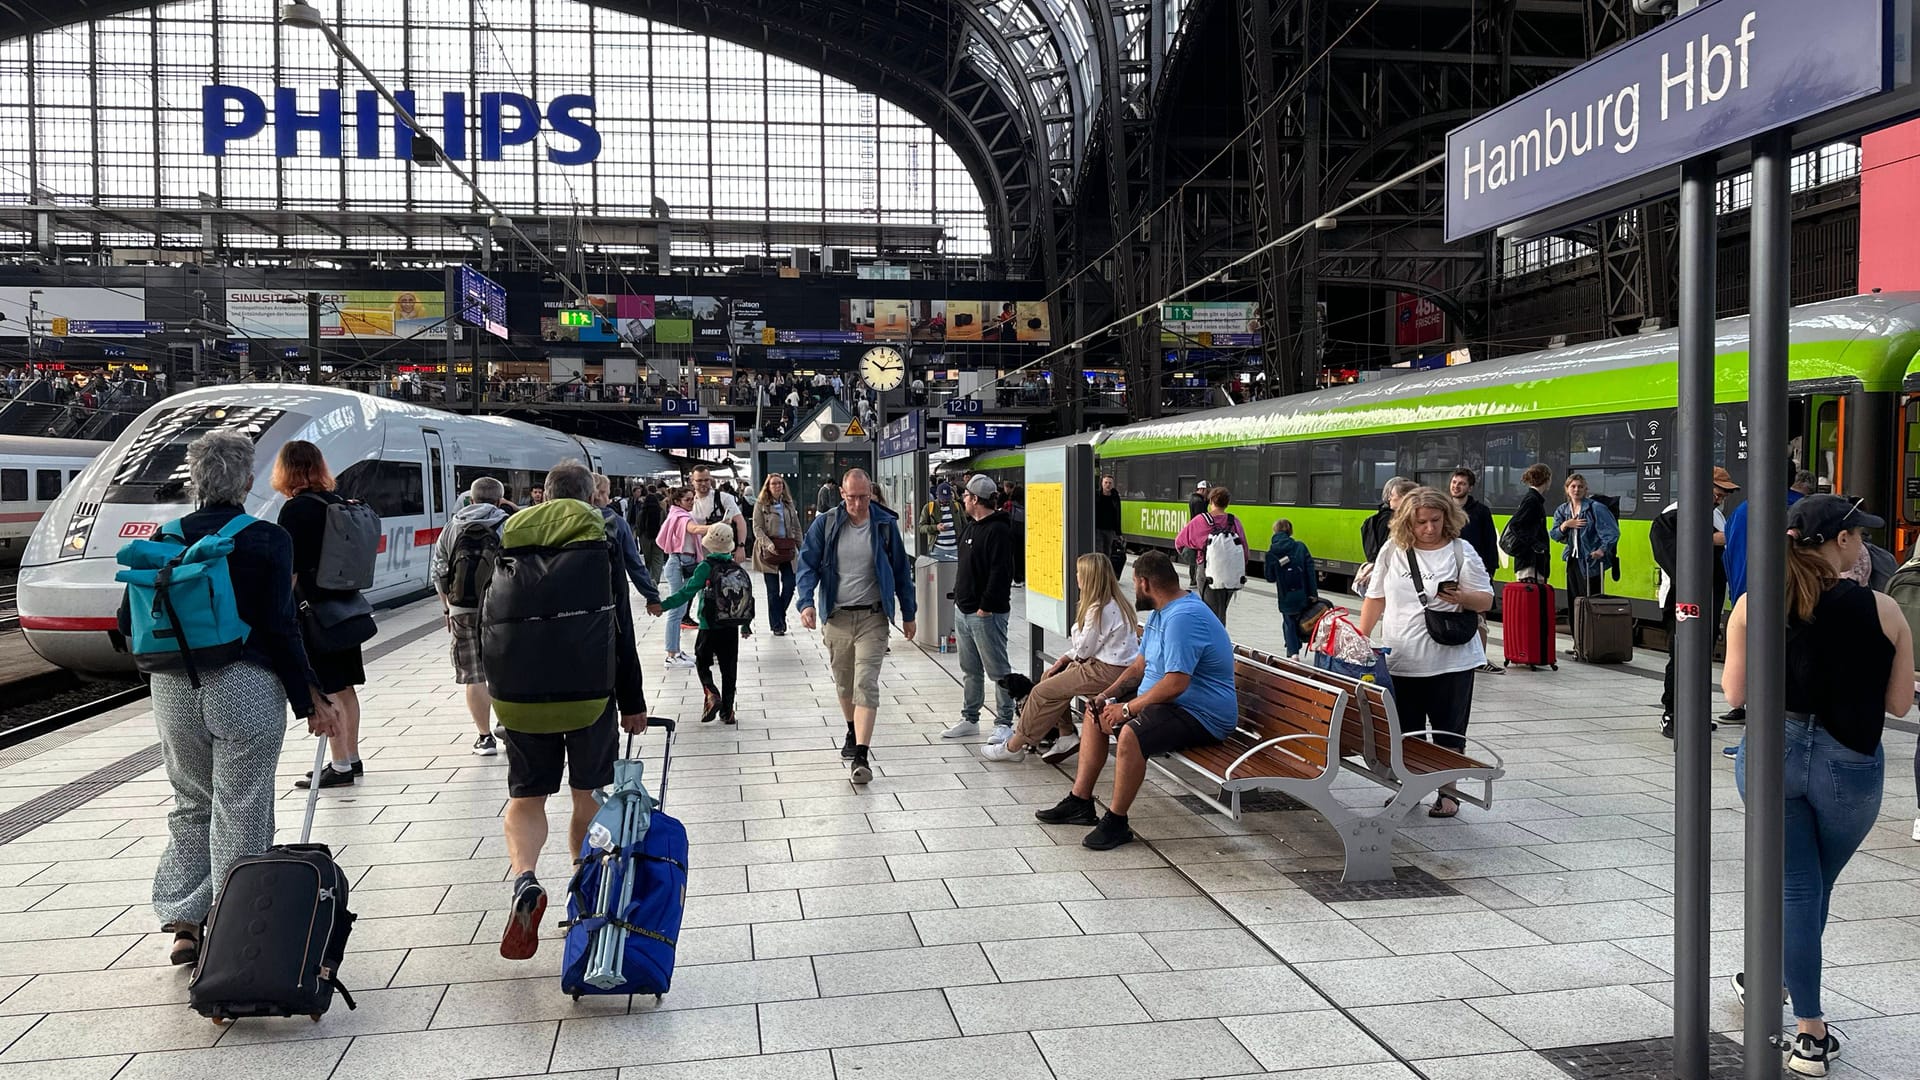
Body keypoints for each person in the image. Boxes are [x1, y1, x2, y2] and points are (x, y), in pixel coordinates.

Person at [128, 431, 340, 966]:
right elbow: (281, 626)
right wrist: (309, 699)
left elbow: (125, 617)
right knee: (241, 806)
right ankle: (231, 920)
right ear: (247, 482)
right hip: (244, 686)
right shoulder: (267, 538)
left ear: (195, 482)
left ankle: (183, 921)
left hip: (174, 687)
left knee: (191, 802)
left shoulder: (166, 535)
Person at [1723, 495, 1913, 1077]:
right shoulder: (1884, 610)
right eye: (1860, 535)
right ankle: (1808, 1026)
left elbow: (1734, 695)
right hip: (1850, 767)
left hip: (1770, 755)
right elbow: (1901, 704)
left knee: (1798, 892)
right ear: (1844, 542)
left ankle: (1786, 997)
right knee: (1811, 890)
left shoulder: (1754, 605)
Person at [492, 462, 648, 960]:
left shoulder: (509, 537)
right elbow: (619, 627)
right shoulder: (600, 542)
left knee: (527, 797)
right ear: (589, 497)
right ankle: (584, 893)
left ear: (544, 495)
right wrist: (633, 702)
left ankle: (524, 879)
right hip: (588, 694)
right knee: (586, 796)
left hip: (518, 694)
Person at [1034, 552, 1236, 850]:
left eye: (1133, 582)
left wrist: (1128, 708)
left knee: (1130, 735)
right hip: (1169, 703)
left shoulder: (1183, 618)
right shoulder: (1159, 613)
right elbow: (1139, 667)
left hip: (1200, 713)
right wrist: (1107, 695)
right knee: (1096, 711)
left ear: (1144, 583)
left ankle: (1117, 822)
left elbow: (1176, 683)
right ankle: (1080, 801)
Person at [1357, 486, 1496, 818]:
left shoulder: (1462, 552)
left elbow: (1487, 600)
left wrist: (1461, 597)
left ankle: (1449, 793)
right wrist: (1361, 637)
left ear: (1448, 518)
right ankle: (1410, 789)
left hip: (1451, 659)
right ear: (1408, 522)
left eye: (1436, 520)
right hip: (1401, 657)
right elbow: (1375, 597)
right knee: (1406, 731)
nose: (1430, 528)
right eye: (1422, 522)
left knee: (1448, 729)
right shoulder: (1392, 550)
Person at [796, 469, 918, 784]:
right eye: (852, 497)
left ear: (870, 494)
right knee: (844, 683)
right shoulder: (825, 523)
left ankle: (862, 755)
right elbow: (807, 565)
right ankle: (851, 729)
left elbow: (902, 572)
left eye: (864, 497)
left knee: (866, 683)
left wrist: (908, 612)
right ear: (842, 494)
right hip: (837, 617)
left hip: (873, 617)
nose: (859, 503)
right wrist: (806, 602)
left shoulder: (884, 525)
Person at [273, 440, 372, 790]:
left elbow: (292, 568)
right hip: (345, 606)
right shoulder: (336, 502)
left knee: (328, 688)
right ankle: (352, 757)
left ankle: (340, 764)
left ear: (286, 469)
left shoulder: (296, 509)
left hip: (312, 610)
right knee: (345, 688)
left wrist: (279, 608)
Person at [983, 553, 1141, 764]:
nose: (1075, 576)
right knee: (1050, 675)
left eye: (1078, 572)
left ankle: (1014, 745)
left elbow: (1084, 649)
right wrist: (1066, 659)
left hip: (1106, 671)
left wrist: (1076, 630)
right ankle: (1066, 734)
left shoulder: (1097, 609)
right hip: (1111, 666)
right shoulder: (1116, 603)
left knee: (1041, 691)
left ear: (1088, 578)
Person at [1650, 466, 1737, 738]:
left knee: (1701, 655)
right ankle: (1672, 713)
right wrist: (1709, 541)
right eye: (1717, 491)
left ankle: (1695, 711)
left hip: (1711, 595)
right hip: (1682, 596)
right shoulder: (1673, 514)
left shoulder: (1717, 516)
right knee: (1681, 653)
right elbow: (1668, 551)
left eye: (1724, 494)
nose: (1720, 497)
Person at [1721, 463, 1811, 724]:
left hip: (1744, 596)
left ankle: (1750, 711)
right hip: (1791, 597)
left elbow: (1730, 554)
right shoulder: (1803, 509)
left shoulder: (1742, 510)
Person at [433, 476, 514, 754]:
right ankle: (507, 727)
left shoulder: (451, 527)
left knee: (474, 674)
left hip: (462, 609)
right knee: (504, 670)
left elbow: (439, 571)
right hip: (502, 607)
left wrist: (447, 606)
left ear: (471, 499)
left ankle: (484, 737)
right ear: (500, 499)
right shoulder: (508, 524)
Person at [943, 474, 1016, 742]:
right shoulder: (971, 527)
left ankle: (1005, 721)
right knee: (970, 669)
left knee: (998, 670)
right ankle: (970, 718)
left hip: (986, 614)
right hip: (964, 610)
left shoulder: (998, 530)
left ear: (975, 499)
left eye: (965, 495)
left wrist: (985, 606)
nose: (962, 499)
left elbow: (1001, 573)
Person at [656, 522, 747, 725]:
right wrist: (746, 625)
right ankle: (728, 711)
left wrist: (663, 606)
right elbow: (745, 599)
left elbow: (686, 592)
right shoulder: (735, 568)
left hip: (708, 625)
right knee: (728, 668)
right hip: (731, 626)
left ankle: (711, 692)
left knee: (702, 662)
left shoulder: (705, 567)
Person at [1551, 473, 1621, 650]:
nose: (1576, 490)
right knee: (1574, 601)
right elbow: (1554, 534)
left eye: (1580, 487)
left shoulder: (1596, 508)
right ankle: (1578, 643)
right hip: (1573, 560)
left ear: (1586, 489)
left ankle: (1591, 641)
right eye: (1573, 486)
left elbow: (1612, 532)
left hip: (1591, 563)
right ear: (1567, 489)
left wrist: (1601, 550)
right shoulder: (1563, 510)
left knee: (1591, 602)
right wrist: (1565, 525)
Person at [1449, 468, 1503, 675]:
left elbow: (1490, 542)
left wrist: (1490, 571)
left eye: (1461, 483)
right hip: (1448, 568)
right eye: (1454, 482)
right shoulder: (1443, 508)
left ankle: (1480, 657)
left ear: (1470, 488)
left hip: (1474, 570)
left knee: (1480, 614)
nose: (1456, 486)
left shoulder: (1480, 511)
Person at [1174, 486, 1249, 627]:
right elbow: (1244, 549)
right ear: (1227, 503)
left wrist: (1194, 558)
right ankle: (1221, 637)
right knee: (1221, 610)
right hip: (1231, 572)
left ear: (1211, 501)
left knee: (1209, 610)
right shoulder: (1234, 521)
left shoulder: (1201, 520)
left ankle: (1213, 642)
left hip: (1207, 571)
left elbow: (1179, 542)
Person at [592, 472, 666, 614]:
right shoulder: (614, 522)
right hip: (609, 595)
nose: (608, 500)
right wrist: (652, 596)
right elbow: (634, 564)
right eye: (607, 495)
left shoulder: (558, 520)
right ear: (597, 495)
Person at [751, 473, 802, 635]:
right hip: (769, 551)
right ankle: (777, 625)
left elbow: (796, 527)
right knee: (772, 591)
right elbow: (757, 527)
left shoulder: (788, 504)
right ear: (768, 486)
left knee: (790, 584)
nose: (777, 486)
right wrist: (768, 543)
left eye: (780, 483)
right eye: (773, 484)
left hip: (787, 549)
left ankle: (780, 613)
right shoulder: (761, 504)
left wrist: (802, 548)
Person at [654, 486, 699, 667]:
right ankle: (671, 654)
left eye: (693, 498)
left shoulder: (677, 514)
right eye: (688, 499)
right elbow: (694, 529)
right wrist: (715, 527)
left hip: (682, 563)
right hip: (679, 564)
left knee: (680, 609)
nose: (692, 502)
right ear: (678, 502)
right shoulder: (681, 517)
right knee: (676, 610)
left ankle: (676, 651)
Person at [1265, 519, 1319, 655]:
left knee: (1289, 621)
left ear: (1275, 531)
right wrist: (1313, 593)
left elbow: (1269, 578)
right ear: (1290, 531)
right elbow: (1310, 572)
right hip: (1303, 592)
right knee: (1298, 619)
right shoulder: (1300, 547)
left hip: (1285, 594)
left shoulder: (1271, 552)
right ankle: (1294, 645)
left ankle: (1293, 653)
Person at [1359, 477, 1417, 580]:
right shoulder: (1387, 518)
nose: (1389, 498)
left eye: (1392, 495)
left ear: (1404, 498)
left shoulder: (1400, 518)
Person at [1507, 464, 1554, 581]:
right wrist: (1536, 545)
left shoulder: (1532, 499)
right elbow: (1515, 525)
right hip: (1530, 562)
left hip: (1531, 561)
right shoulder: (1532, 500)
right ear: (1547, 479)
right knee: (1532, 595)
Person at [1095, 473, 1124, 574]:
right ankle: (1099, 573)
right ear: (1102, 484)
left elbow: (1118, 515)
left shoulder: (1115, 497)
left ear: (1113, 485)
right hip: (1098, 529)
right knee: (1099, 552)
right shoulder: (1096, 496)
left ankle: (1105, 574)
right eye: (1106, 482)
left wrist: (1119, 533)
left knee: (1108, 552)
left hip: (1110, 530)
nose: (1108, 485)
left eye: (1110, 483)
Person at [1185, 481, 1209, 587]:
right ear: (1202, 489)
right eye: (1207, 491)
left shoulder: (1193, 499)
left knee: (1193, 555)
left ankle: (1193, 578)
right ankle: (1194, 579)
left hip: (1194, 530)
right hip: (1198, 531)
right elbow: (1202, 517)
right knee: (1197, 555)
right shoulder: (1199, 502)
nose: (1208, 494)